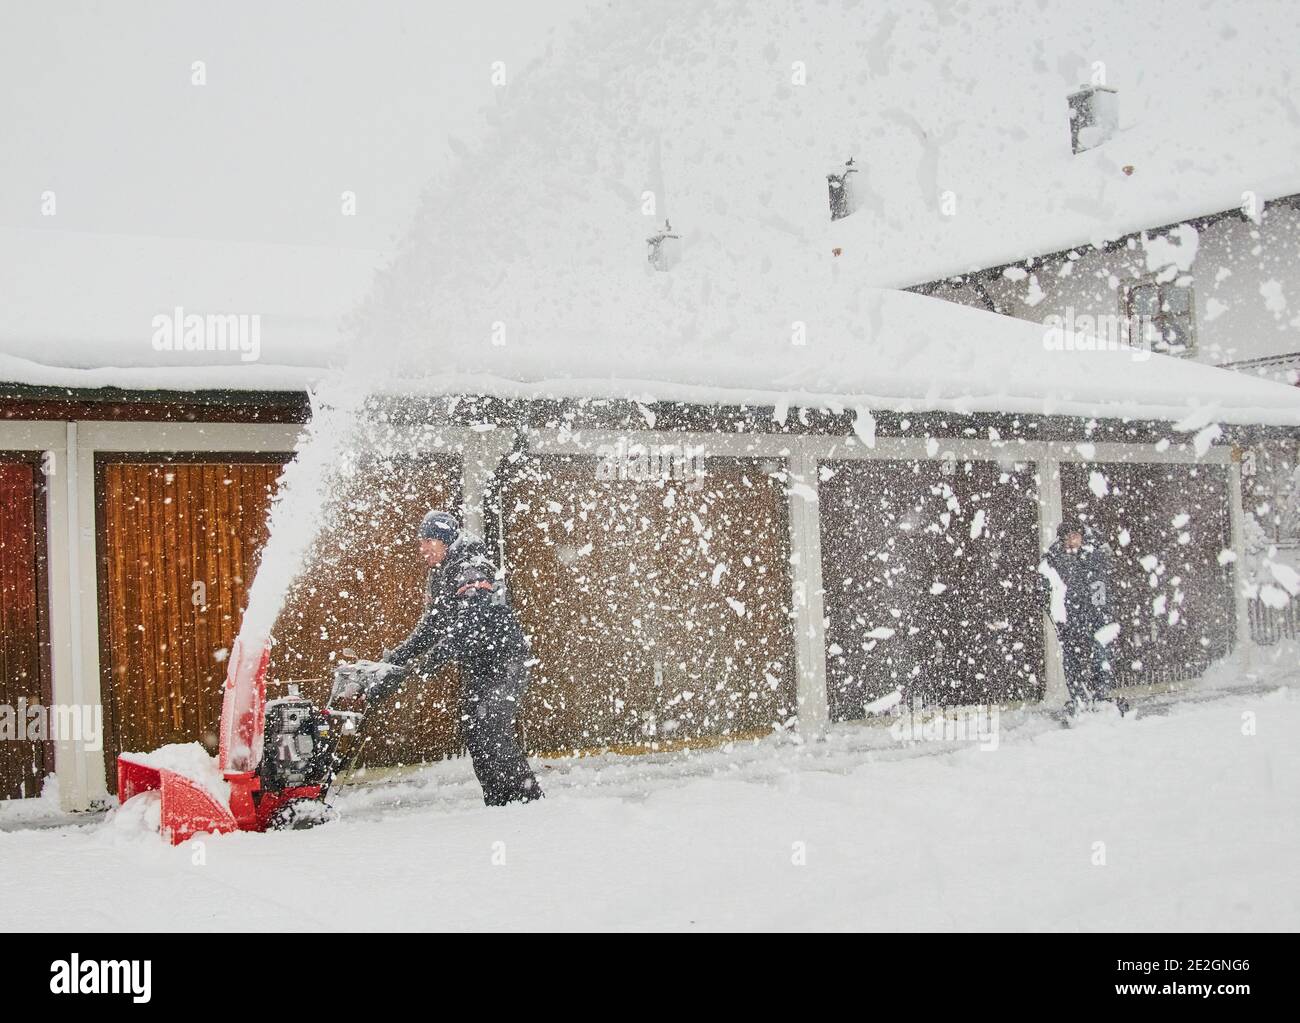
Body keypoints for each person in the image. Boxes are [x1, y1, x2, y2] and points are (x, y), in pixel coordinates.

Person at [367, 510, 543, 805]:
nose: (422, 548)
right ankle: (499, 803)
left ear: (445, 540)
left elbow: (471, 621)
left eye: (428, 541)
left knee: (491, 730)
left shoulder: (473, 568)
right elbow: (431, 627)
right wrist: (395, 659)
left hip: (505, 661)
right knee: (475, 730)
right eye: (420, 542)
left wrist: (433, 660)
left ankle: (528, 800)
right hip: (479, 663)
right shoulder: (441, 573)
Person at [1039, 516, 1128, 717]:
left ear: (1081, 536)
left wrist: (1105, 612)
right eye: (1068, 537)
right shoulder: (1054, 560)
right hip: (1069, 618)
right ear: (1062, 540)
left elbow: (1105, 583)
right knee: (1072, 659)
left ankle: (1100, 697)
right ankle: (1079, 698)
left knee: (1100, 655)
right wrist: (1052, 607)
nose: (1072, 541)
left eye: (1075, 536)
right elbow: (1044, 587)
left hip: (1097, 616)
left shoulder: (1095, 555)